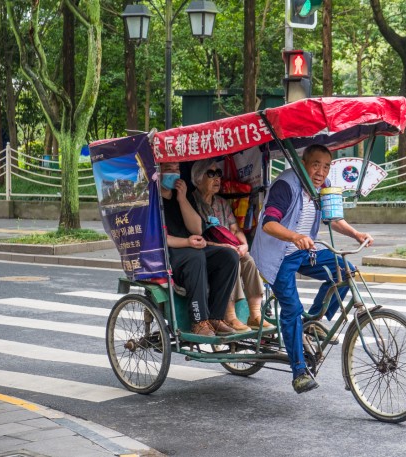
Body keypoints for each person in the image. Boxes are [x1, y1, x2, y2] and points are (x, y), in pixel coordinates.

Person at [251, 144, 374, 394]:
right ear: (303, 163)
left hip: (306, 251)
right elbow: (268, 224)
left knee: (346, 272)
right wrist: (295, 236)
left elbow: (333, 218)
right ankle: (298, 372)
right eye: (316, 164)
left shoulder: (323, 186)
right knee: (291, 309)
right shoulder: (286, 185)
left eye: (326, 166)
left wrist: (356, 234)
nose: (321, 171)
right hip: (278, 256)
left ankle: (313, 321)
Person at [190, 158, 274, 333]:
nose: (217, 178)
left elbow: (235, 229)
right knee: (229, 259)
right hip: (205, 251)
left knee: (248, 260)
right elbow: (195, 236)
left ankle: (255, 314)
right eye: (211, 174)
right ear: (198, 179)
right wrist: (224, 247)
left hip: (229, 248)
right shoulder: (192, 202)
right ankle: (229, 316)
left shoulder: (221, 203)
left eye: (218, 174)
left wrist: (243, 244)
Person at [159, 161, 240, 337]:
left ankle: (216, 317)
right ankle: (199, 320)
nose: (173, 173)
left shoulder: (182, 195)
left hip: (191, 248)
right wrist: (188, 242)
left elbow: (197, 229)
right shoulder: (151, 200)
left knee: (229, 256)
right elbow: (160, 238)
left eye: (176, 169)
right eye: (168, 169)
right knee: (195, 257)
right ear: (157, 172)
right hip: (168, 254)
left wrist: (181, 199)